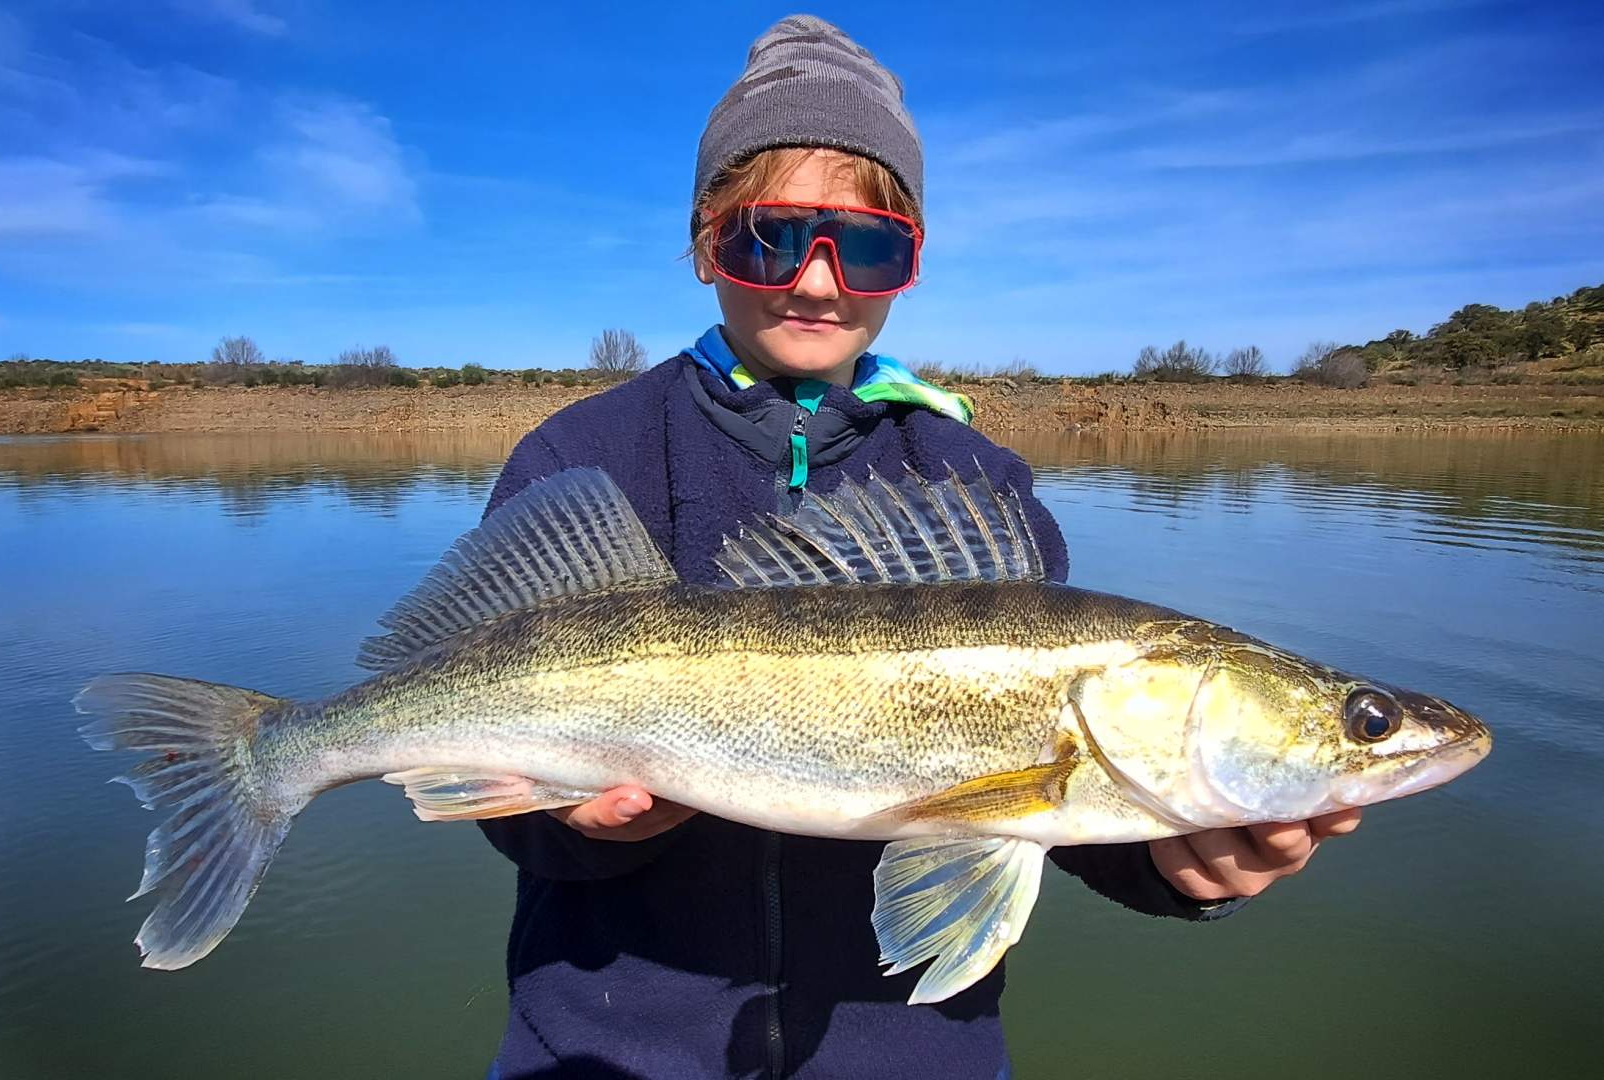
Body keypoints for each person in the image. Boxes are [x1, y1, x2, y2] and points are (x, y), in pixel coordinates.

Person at [478, 16, 1361, 1079]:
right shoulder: (582, 455)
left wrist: (1177, 863)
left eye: (867, 247)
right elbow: (488, 777)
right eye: (768, 237)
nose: (816, 283)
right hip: (601, 1047)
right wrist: (575, 825)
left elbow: (1042, 821)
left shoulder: (976, 483)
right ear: (706, 242)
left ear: (910, 264)